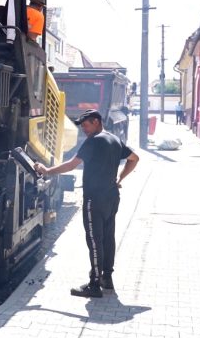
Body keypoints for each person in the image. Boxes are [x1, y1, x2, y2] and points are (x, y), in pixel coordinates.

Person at [34, 109, 139, 298]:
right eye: (82, 126)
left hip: (94, 199)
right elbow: (134, 159)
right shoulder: (114, 139)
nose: (84, 129)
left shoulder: (94, 141)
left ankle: (94, 284)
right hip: (112, 197)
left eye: (86, 125)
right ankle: (107, 278)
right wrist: (119, 179)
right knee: (108, 237)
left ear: (97, 122)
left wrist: (47, 171)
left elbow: (72, 164)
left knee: (94, 240)